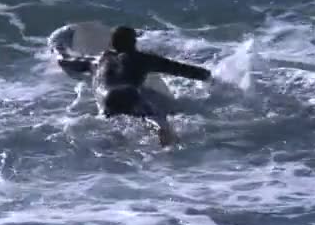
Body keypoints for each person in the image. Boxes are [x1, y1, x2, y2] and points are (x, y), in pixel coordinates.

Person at [57, 26, 212, 146]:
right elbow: (182, 70)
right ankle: (165, 139)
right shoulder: (142, 58)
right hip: (130, 93)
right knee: (154, 119)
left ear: (112, 44)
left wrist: (59, 47)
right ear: (134, 43)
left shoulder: (97, 61)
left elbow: (66, 62)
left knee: (115, 130)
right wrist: (209, 76)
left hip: (106, 97)